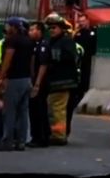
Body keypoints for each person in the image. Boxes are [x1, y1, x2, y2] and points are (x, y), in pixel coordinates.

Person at [0, 17, 32, 152]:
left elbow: (8, 59)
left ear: (13, 27)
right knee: (23, 112)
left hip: (14, 79)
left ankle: (7, 141)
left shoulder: (12, 40)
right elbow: (31, 61)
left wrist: (1, 76)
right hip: (26, 79)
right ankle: (21, 141)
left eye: (8, 26)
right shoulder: (28, 40)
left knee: (9, 111)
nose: (6, 28)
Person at [44, 14, 78, 146]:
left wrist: (52, 56)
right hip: (54, 82)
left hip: (63, 82)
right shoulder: (51, 42)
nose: (51, 30)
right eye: (50, 28)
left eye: (54, 27)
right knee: (54, 109)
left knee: (57, 110)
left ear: (62, 29)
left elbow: (69, 58)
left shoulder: (66, 42)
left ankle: (59, 135)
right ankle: (56, 133)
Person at [68, 13, 97, 137]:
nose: (81, 23)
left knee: (85, 80)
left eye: (83, 21)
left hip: (87, 61)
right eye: (79, 21)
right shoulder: (76, 34)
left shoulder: (92, 33)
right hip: (78, 62)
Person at [28, 21, 51, 148]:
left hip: (40, 83)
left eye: (33, 30)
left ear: (40, 31)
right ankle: (38, 135)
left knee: (38, 109)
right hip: (34, 81)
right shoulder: (33, 45)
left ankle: (40, 137)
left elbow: (43, 65)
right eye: (30, 30)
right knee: (34, 109)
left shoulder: (43, 45)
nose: (30, 32)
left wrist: (37, 84)